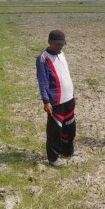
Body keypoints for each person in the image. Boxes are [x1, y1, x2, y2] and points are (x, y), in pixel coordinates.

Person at [36, 30, 76, 167]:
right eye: (57, 44)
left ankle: (67, 151)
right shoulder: (42, 58)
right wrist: (46, 101)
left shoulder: (62, 54)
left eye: (62, 44)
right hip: (56, 101)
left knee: (70, 128)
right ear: (49, 42)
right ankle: (53, 157)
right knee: (55, 130)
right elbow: (43, 81)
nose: (60, 47)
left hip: (69, 98)